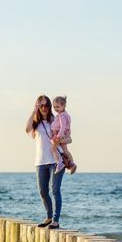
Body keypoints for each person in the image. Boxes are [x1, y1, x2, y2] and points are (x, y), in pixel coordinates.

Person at [25, 95, 72, 229]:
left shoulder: (55, 119)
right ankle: (49, 217)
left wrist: (59, 140)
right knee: (43, 192)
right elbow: (26, 129)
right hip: (40, 162)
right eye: (41, 106)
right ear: (38, 106)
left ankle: (56, 220)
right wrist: (34, 110)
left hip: (56, 161)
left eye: (46, 105)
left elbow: (69, 138)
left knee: (55, 190)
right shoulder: (36, 124)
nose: (44, 108)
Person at [51, 96, 77, 174]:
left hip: (60, 135)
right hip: (63, 135)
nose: (56, 109)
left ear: (64, 105)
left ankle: (59, 163)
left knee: (53, 149)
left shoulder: (62, 116)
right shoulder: (63, 115)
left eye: (58, 107)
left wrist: (58, 136)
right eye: (54, 107)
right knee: (65, 150)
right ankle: (72, 163)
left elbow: (63, 127)